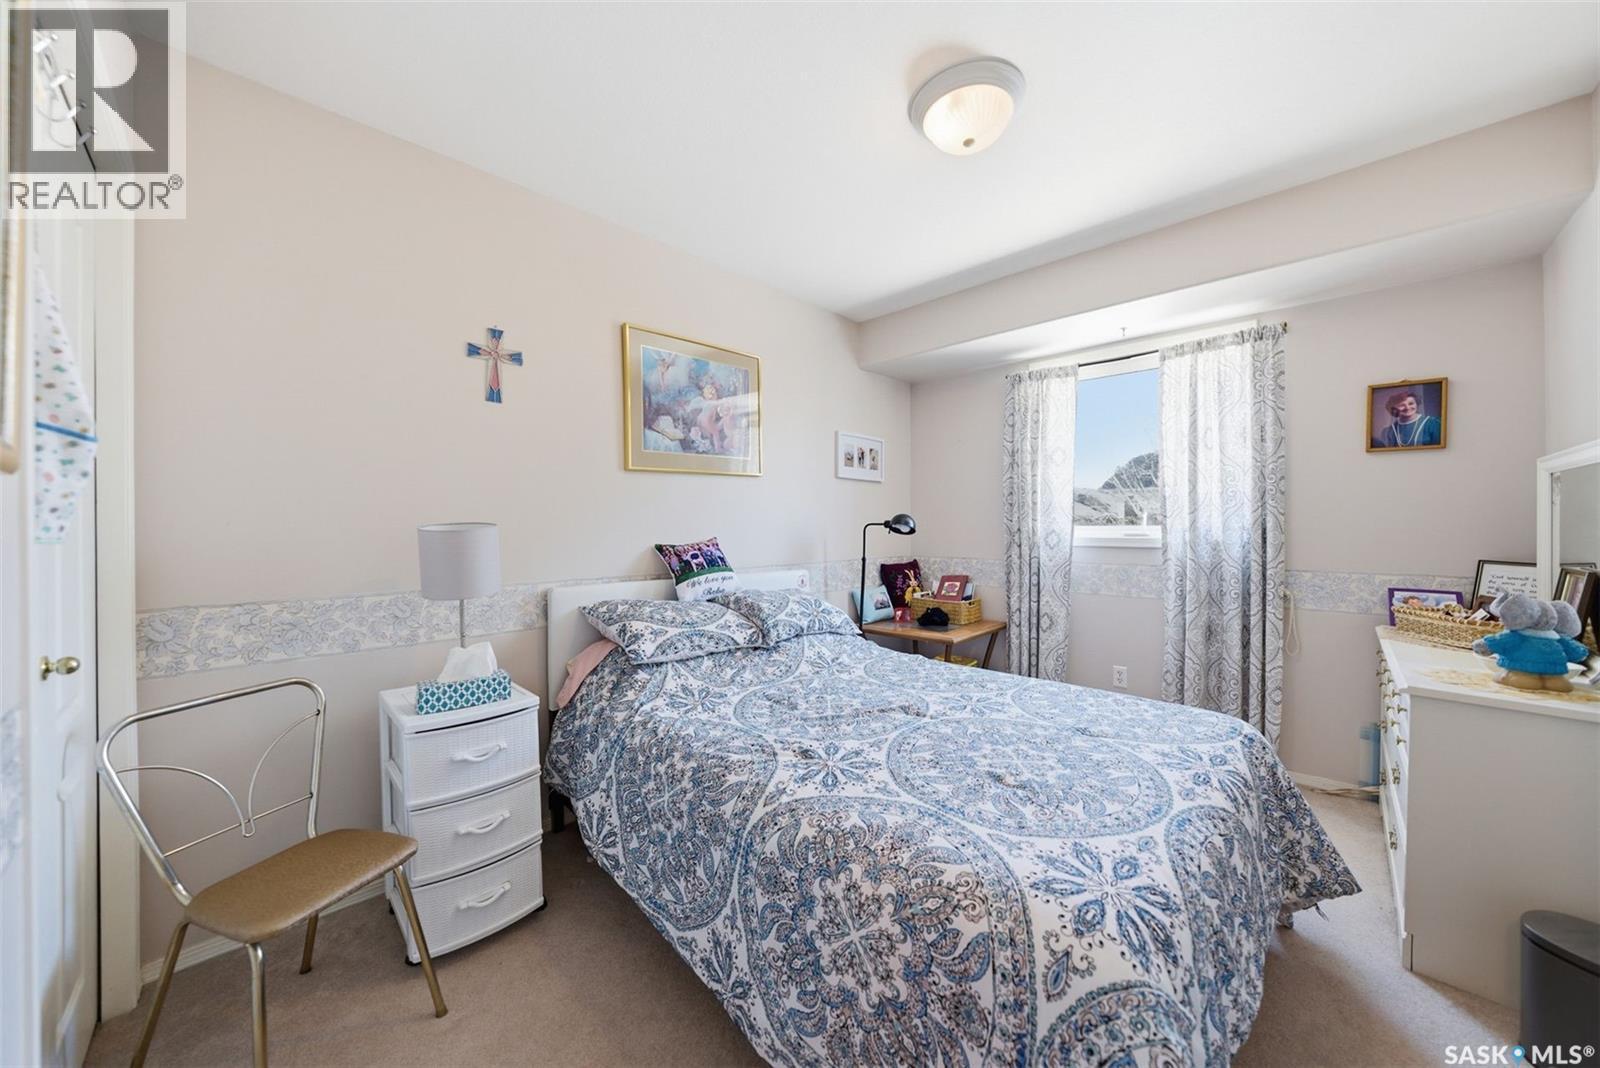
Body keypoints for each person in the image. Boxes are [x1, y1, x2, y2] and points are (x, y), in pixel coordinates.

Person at [1377, 390, 1441, 448]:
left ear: (1417, 404)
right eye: (1402, 405)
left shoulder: (1432, 424)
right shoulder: (1388, 431)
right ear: (1394, 409)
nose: (1407, 408)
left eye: (1411, 403)